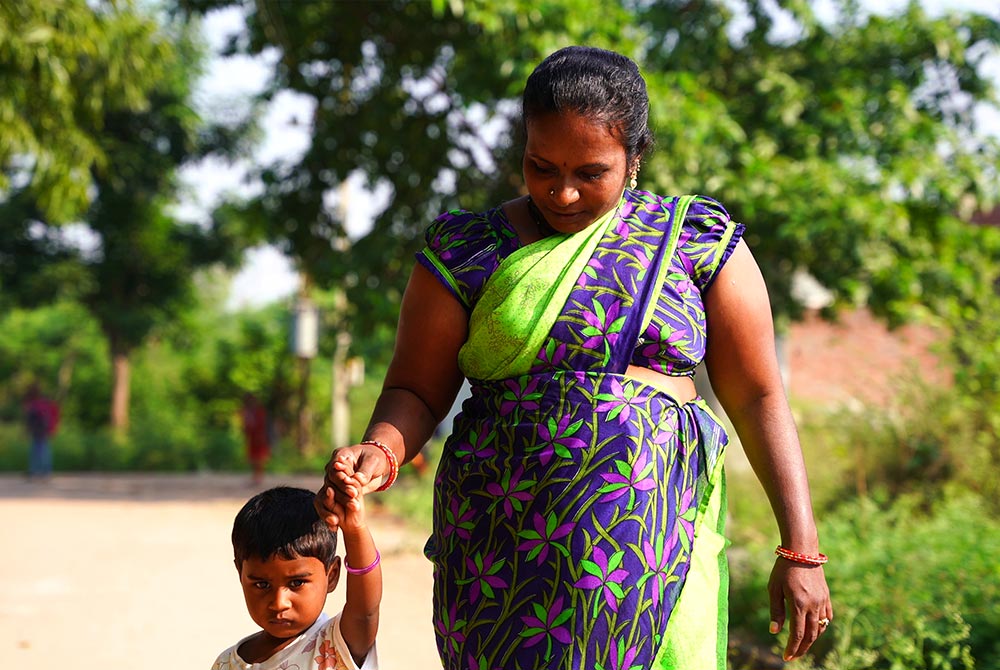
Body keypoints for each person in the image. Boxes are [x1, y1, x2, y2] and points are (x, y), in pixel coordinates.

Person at [318, 45, 832, 669]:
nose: (562, 193)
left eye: (591, 172)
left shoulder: (693, 240)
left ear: (634, 158)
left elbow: (756, 396)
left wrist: (799, 547)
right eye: (541, 166)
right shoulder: (468, 250)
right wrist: (381, 450)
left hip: (645, 550)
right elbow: (418, 391)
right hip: (497, 549)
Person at [211, 485, 381, 669]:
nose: (279, 603)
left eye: (297, 583)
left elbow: (365, 611)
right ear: (240, 573)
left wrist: (355, 530)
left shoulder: (335, 645)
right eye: (262, 585)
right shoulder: (226, 663)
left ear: (331, 576)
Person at [24, 383, 60, 480]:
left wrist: (27, 430)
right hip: (42, 430)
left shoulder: (36, 404)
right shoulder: (42, 403)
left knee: (40, 451)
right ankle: (40, 471)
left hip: (40, 431)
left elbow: (32, 419)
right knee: (40, 451)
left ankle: (41, 471)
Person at [240, 392, 271, 485]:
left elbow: (263, 424)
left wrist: (261, 435)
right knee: (253, 457)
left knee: (259, 457)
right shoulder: (246, 411)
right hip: (251, 437)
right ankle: (255, 476)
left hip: (259, 436)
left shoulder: (259, 411)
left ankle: (259, 476)